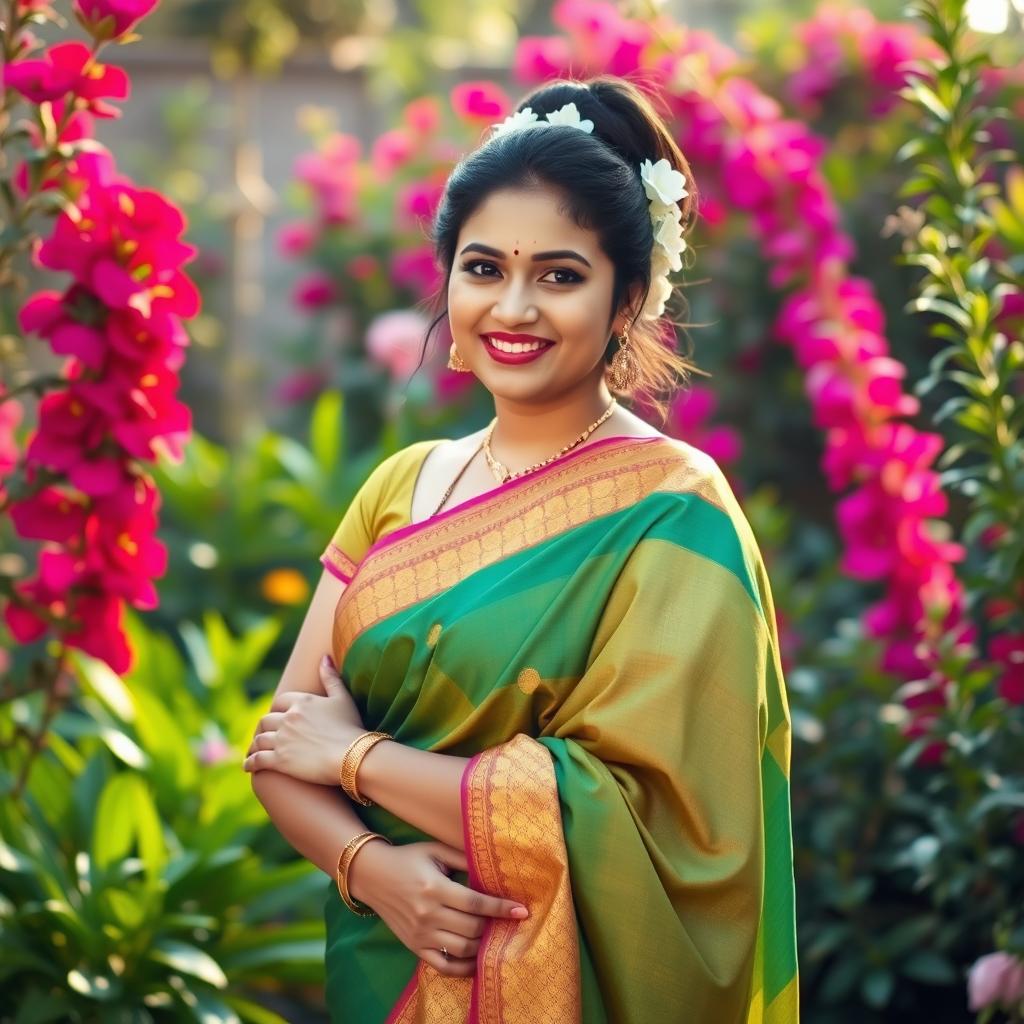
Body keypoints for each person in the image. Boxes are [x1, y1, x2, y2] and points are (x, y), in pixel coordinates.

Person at [244, 74, 799, 1023]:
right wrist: (372, 870)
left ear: (627, 298)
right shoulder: (400, 487)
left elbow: (667, 831)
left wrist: (359, 761)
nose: (513, 308)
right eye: (484, 267)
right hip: (391, 968)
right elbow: (279, 750)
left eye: (560, 275)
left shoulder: (674, 510)